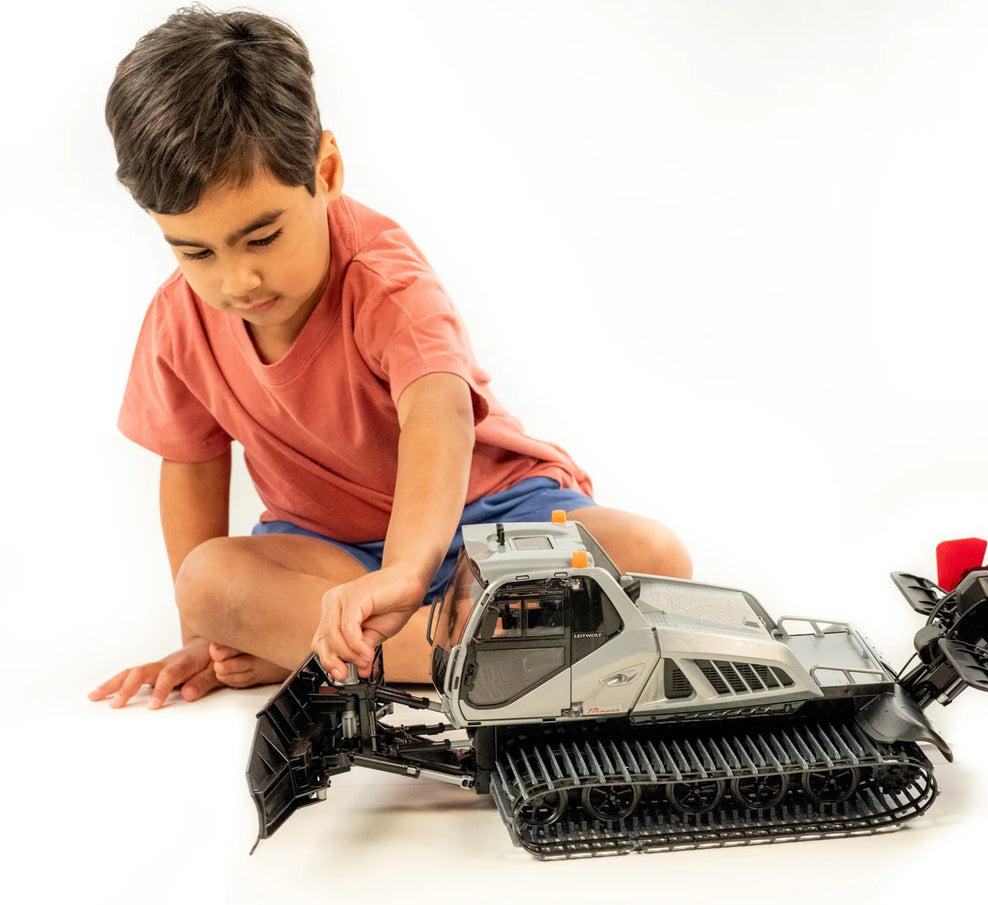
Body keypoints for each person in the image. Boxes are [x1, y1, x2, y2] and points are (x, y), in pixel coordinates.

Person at [89, 7, 692, 710]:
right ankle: (475, 656)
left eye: (262, 237)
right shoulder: (178, 320)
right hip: (332, 556)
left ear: (327, 170)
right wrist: (203, 635)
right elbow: (191, 462)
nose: (235, 280)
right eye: (196, 251)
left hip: (489, 522)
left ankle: (343, 654)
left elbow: (438, 413)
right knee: (207, 582)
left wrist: (409, 571)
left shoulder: (383, 278)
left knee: (657, 555)